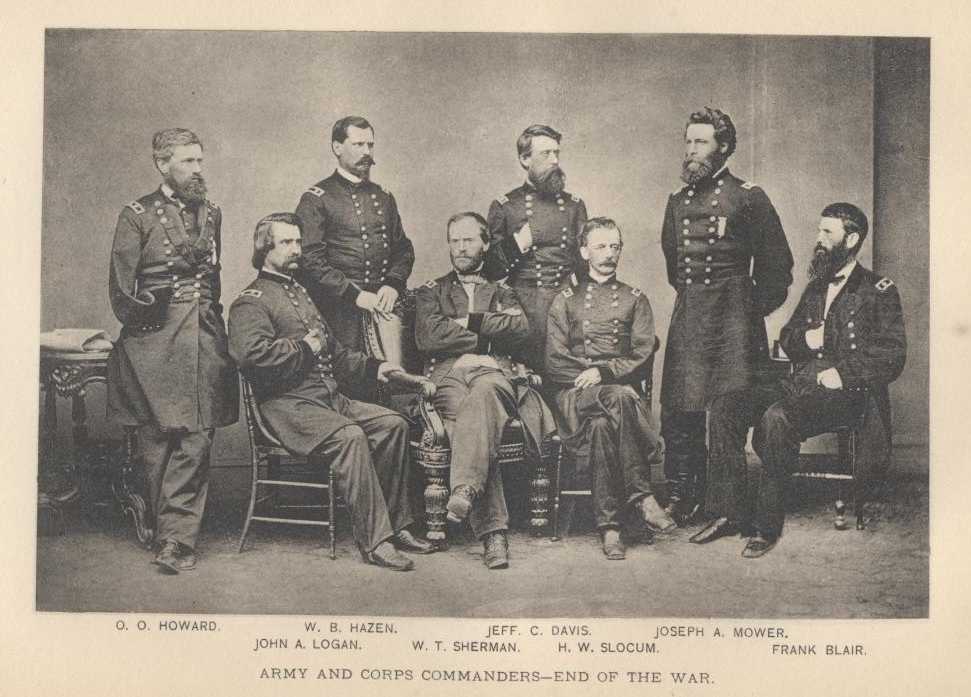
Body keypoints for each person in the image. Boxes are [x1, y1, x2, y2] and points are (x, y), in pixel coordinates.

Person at [692, 203, 906, 557]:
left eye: (827, 232)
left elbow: (893, 354)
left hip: (847, 395)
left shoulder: (878, 290)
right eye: (819, 230)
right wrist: (808, 339)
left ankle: (766, 527)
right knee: (726, 406)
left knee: (777, 418)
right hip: (801, 385)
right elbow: (789, 338)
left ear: (851, 239)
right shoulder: (817, 285)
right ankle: (728, 512)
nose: (818, 239)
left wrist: (843, 373)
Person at [228, 213, 437, 571]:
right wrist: (303, 348)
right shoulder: (251, 301)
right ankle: (376, 541)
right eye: (286, 242)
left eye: (298, 241)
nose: (297, 249)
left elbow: (336, 354)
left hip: (327, 401)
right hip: (288, 408)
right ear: (264, 248)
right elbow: (251, 356)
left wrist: (377, 368)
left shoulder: (300, 291)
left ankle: (398, 524)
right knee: (351, 437)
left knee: (393, 424)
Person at [106, 128, 238, 574]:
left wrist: (215, 329)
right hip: (153, 339)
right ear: (162, 164)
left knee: (197, 436)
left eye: (200, 160)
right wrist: (152, 314)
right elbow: (122, 291)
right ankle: (158, 521)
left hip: (202, 337)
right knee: (157, 439)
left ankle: (177, 540)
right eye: (187, 161)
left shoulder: (213, 213)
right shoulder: (137, 215)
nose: (198, 169)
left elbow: (213, 281)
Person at [660, 107, 794, 524]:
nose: (691, 150)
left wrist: (746, 311)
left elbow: (778, 269)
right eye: (688, 141)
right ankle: (684, 494)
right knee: (680, 409)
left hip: (734, 322)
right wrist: (698, 302)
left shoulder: (749, 197)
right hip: (690, 318)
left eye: (700, 142)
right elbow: (674, 268)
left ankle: (726, 506)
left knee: (726, 411)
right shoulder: (677, 201)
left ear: (723, 147)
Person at [415, 212, 556, 569]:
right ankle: (490, 530)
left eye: (468, 240)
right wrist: (487, 336)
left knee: (480, 400)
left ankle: (471, 498)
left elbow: (520, 329)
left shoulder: (502, 290)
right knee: (477, 422)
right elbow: (429, 336)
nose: (461, 248)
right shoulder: (431, 291)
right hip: (448, 377)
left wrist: (466, 322)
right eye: (455, 240)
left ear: (485, 243)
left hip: (493, 375)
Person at [546, 218, 673, 560]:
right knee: (620, 396)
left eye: (614, 246)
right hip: (575, 396)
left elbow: (642, 353)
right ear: (584, 252)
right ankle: (642, 496)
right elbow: (555, 361)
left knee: (603, 426)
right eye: (600, 246)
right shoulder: (565, 300)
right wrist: (591, 375)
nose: (609, 254)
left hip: (614, 398)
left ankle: (610, 529)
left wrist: (604, 372)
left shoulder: (635, 299)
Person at [294, 116, 415, 396]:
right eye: (358, 144)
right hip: (338, 311)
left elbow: (403, 249)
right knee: (351, 388)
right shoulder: (317, 198)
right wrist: (354, 295)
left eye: (370, 145)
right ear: (337, 147)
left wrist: (393, 284)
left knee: (395, 385)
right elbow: (309, 259)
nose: (366, 152)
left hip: (383, 307)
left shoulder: (384, 197)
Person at [482, 124, 588, 373]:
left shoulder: (574, 206)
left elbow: (585, 268)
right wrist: (520, 242)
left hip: (566, 303)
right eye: (546, 154)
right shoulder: (505, 206)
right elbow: (491, 270)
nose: (555, 160)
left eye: (556, 153)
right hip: (524, 306)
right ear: (525, 159)